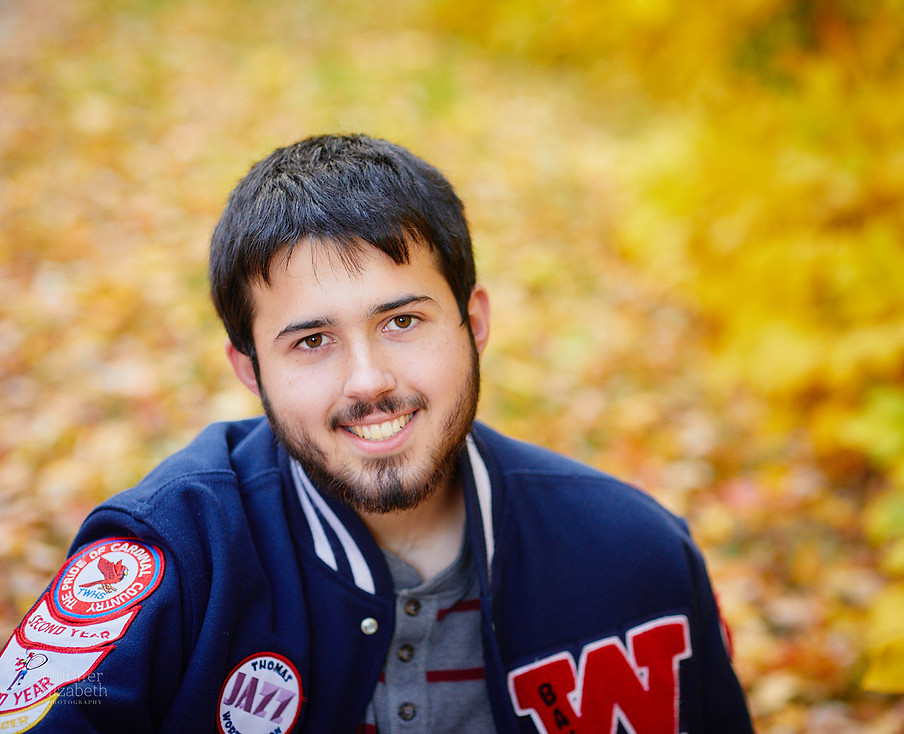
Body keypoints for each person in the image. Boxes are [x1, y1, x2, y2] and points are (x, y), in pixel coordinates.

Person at [0, 134, 755, 733]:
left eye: (402, 321)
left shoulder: (637, 556)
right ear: (249, 369)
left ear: (475, 321)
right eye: (311, 341)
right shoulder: (168, 562)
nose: (368, 381)